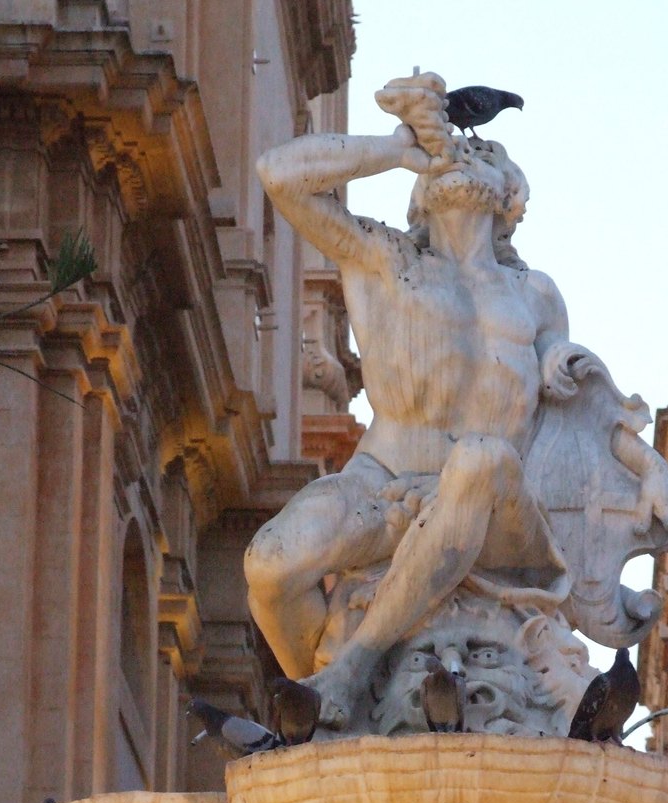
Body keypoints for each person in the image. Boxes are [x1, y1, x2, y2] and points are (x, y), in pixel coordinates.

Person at [245, 72, 590, 726]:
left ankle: (353, 668)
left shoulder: (536, 295)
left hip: (495, 513)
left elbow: (576, 419)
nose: (466, 153)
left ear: (512, 194)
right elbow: (277, 173)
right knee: (269, 566)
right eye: (453, 150)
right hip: (386, 486)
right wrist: (397, 144)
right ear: (421, 188)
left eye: (484, 151)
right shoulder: (384, 259)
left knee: (481, 458)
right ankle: (318, 695)